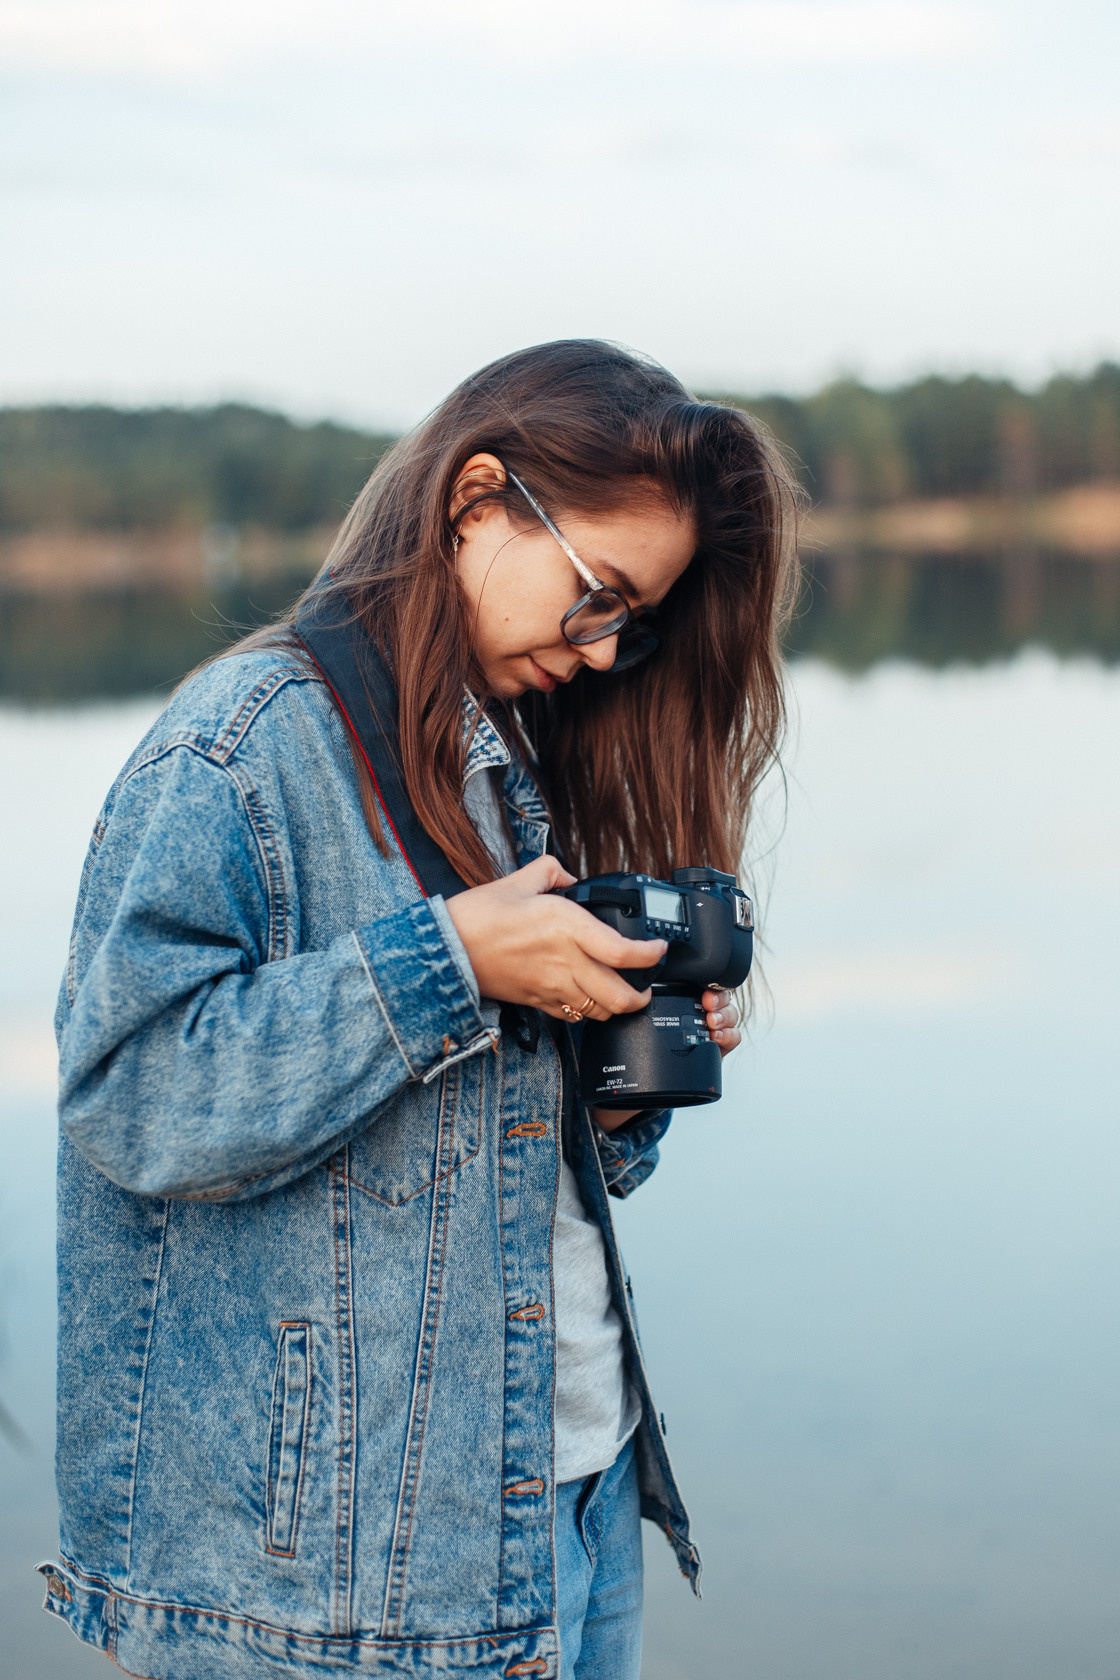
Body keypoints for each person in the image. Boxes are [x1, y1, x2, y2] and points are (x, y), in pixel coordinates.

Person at [41, 340, 797, 1680]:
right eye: (599, 596)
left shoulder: (505, 758)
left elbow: (517, 1166)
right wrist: (447, 962)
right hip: (343, 1579)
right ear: (478, 499)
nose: (610, 647)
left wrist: (621, 1075)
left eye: (636, 622)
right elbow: (131, 1094)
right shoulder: (243, 742)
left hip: (575, 1484)